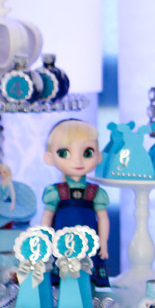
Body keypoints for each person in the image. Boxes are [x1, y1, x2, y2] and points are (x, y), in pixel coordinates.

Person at [41, 119, 109, 285]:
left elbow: (103, 218)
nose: (78, 161)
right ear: (49, 157)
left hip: (89, 244)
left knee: (88, 278)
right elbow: (47, 218)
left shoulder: (95, 192)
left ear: (98, 156)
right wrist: (44, 240)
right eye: (64, 153)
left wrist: (103, 242)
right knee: (62, 279)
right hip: (61, 244)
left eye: (87, 153)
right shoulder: (55, 192)